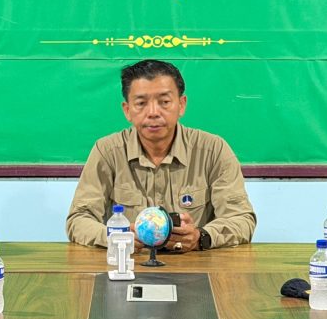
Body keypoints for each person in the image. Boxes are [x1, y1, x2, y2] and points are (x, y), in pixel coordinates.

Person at [66, 59, 255, 251]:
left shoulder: (213, 150)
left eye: (164, 102)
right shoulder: (107, 151)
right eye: (141, 103)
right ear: (127, 110)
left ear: (181, 105)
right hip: (130, 263)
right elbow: (79, 219)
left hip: (193, 262)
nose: (153, 112)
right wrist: (116, 236)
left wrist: (201, 237)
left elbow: (241, 219)